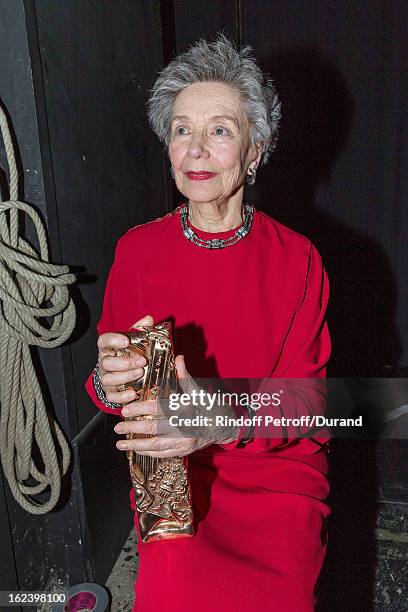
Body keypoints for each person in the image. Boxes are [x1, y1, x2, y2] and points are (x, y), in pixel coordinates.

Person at [85, 34, 331, 612]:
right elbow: (108, 392)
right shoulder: (138, 251)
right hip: (173, 472)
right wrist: (110, 382)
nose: (195, 149)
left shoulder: (299, 259)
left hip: (277, 472)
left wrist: (217, 418)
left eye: (219, 130)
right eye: (180, 130)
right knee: (170, 595)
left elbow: (312, 402)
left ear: (255, 150)